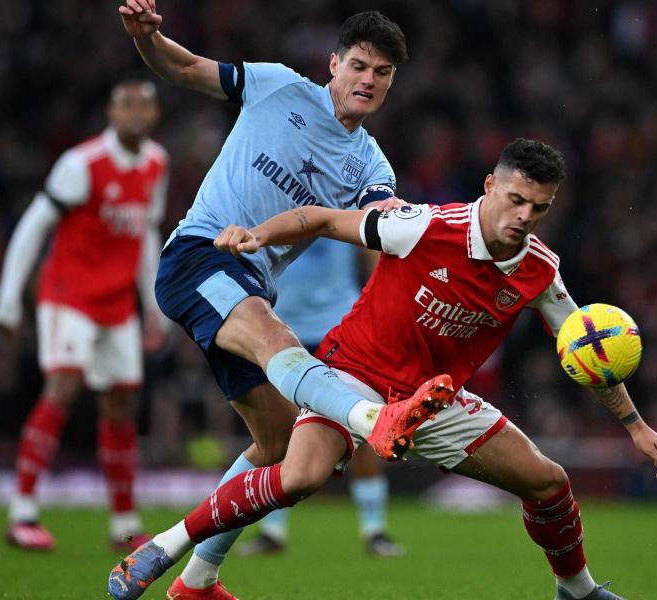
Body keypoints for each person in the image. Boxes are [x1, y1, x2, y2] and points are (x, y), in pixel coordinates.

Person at [108, 139, 657, 600]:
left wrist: (634, 426)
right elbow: (326, 220)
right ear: (490, 187)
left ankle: (576, 591)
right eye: (515, 200)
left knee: (550, 483)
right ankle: (165, 546)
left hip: (434, 399)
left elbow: (591, 351)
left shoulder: (540, 272)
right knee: (300, 475)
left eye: (540, 208)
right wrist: (260, 237)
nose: (524, 217)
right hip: (353, 375)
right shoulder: (423, 226)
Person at [118, 3, 449, 597]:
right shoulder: (276, 86)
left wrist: (401, 221)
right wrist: (149, 39)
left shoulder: (371, 162)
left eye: (382, 73)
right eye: (359, 66)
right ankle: (372, 419)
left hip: (249, 286)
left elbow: (374, 216)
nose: (368, 80)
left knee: (278, 448)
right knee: (282, 344)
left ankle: (197, 580)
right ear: (334, 65)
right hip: (198, 255)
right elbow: (187, 68)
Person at [0, 81, 169, 551]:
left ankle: (123, 525)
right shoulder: (82, 164)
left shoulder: (156, 163)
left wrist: (152, 302)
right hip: (69, 296)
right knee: (64, 387)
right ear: (111, 111)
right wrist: (8, 297)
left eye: (144, 105)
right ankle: (22, 512)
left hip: (116, 304)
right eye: (127, 104)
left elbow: (146, 232)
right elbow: (35, 224)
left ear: (154, 114)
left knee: (121, 404)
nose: (135, 113)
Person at [236, 240, 405, 558]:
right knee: (284, 430)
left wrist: (380, 309)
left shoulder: (340, 205)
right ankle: (272, 531)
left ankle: (375, 529)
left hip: (341, 327)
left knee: (361, 429)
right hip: (281, 330)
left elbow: (373, 251)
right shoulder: (277, 205)